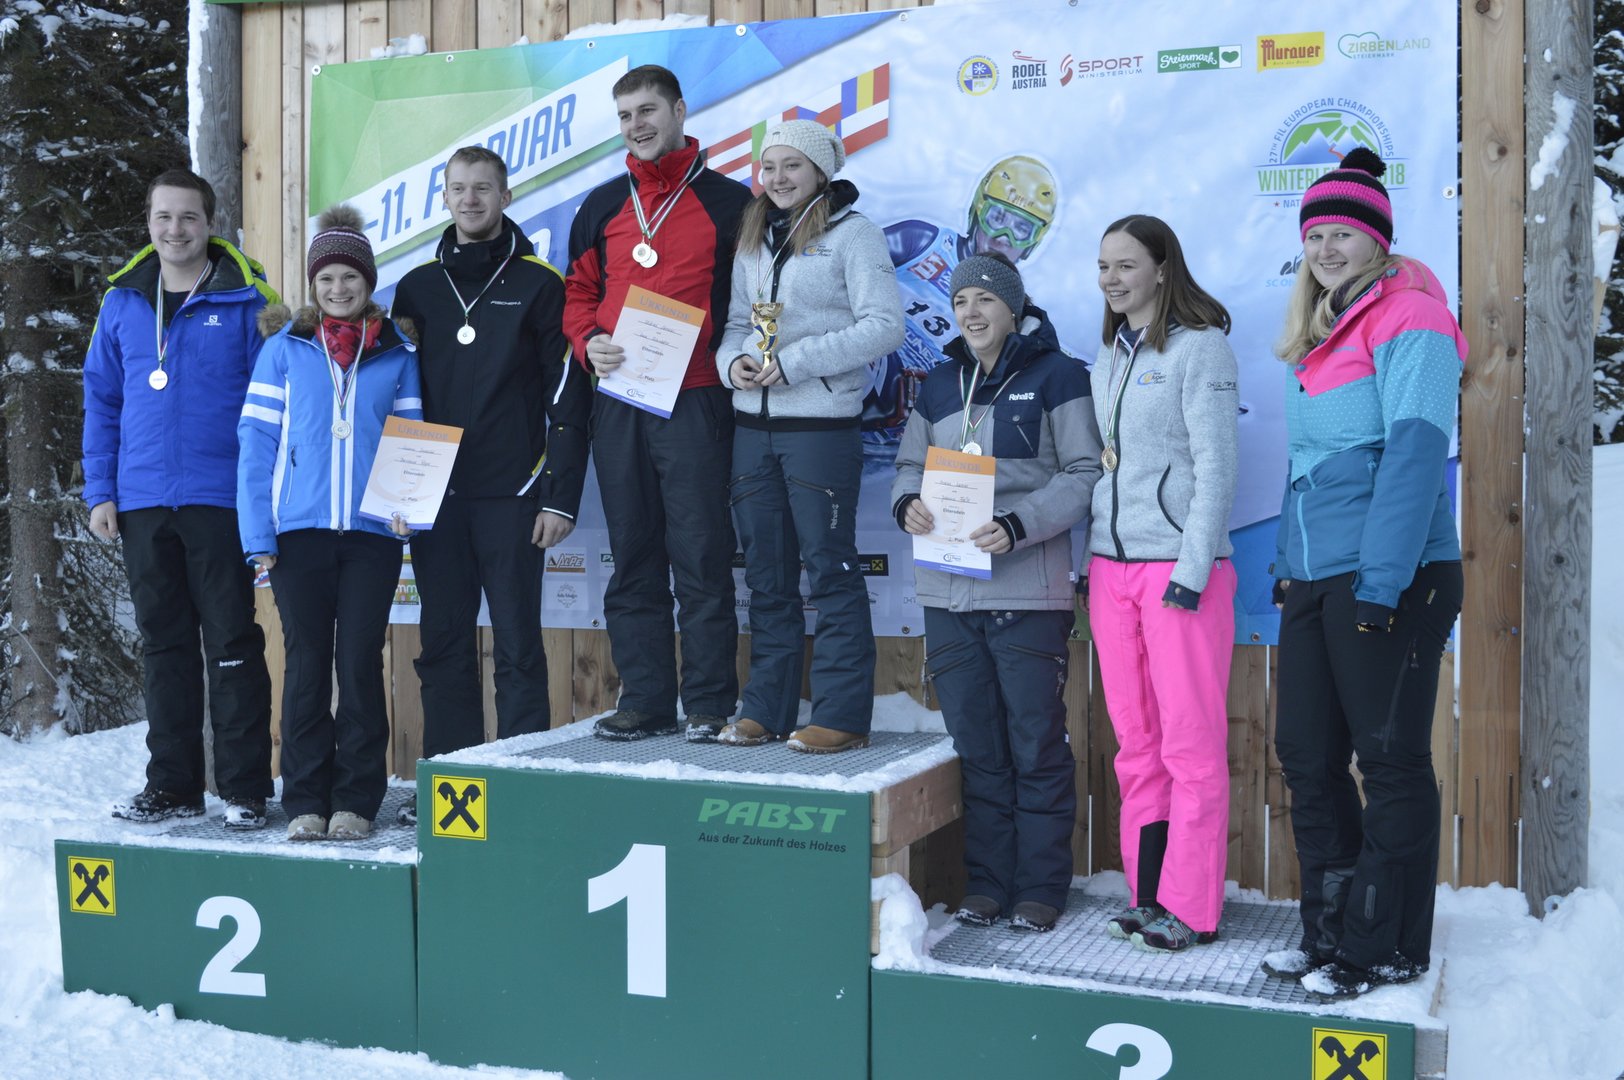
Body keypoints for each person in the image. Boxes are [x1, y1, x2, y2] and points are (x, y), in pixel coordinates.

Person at [1264, 149, 1466, 1000]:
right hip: (1319, 574)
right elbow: (1312, 466)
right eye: (1315, 234)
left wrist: (1382, 583)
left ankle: (1383, 947)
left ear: (1378, 240)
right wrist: (1289, 566)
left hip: (1396, 573)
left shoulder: (1411, 316)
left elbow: (1414, 457)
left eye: (1343, 234)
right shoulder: (1321, 331)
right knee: (1307, 756)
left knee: (1388, 761)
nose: (1326, 248)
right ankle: (1329, 932)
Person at [892, 254, 1102, 932]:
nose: (971, 313)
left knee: (1034, 743)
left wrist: (1019, 524)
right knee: (977, 746)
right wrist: (906, 504)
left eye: (985, 299)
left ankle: (1039, 886)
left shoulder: (1058, 375)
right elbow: (908, 465)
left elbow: (1084, 472)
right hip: (947, 591)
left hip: (1026, 589)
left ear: (1014, 307)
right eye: (961, 302)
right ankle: (987, 883)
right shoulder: (939, 383)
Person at [391, 146, 590, 823]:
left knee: (517, 646)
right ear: (444, 198)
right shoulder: (417, 287)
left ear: (505, 196)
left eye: (483, 188)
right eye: (458, 189)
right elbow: (395, 393)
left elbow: (567, 394)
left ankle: (521, 785)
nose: (470, 199)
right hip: (435, 499)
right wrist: (397, 495)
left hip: (514, 493)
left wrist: (559, 494)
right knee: (443, 646)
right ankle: (452, 786)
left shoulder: (539, 282)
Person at [563, 65, 752, 742]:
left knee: (701, 553)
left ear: (678, 109)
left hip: (696, 398)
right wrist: (588, 342)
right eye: (625, 116)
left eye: (647, 110)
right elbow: (578, 294)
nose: (636, 126)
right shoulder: (601, 205)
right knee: (633, 552)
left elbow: (750, 303)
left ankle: (708, 702)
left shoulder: (731, 203)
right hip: (620, 400)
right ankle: (644, 698)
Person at [84, 168, 276, 830]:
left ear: (209, 223)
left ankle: (245, 789)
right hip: (141, 501)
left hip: (221, 499)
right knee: (163, 646)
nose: (175, 229)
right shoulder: (121, 302)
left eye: (188, 217)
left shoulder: (247, 299)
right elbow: (101, 399)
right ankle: (172, 786)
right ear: (148, 223)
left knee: (231, 642)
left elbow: (272, 407)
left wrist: (264, 502)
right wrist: (100, 491)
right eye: (163, 217)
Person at [713, 120, 904, 753]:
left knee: (829, 569)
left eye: (792, 165)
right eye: (768, 166)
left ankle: (841, 716)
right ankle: (764, 709)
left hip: (820, 428)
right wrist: (733, 365)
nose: (778, 178)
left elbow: (884, 326)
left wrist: (794, 362)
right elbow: (736, 324)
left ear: (821, 171)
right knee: (766, 574)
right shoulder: (752, 234)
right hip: (752, 425)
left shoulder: (855, 234)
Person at [237, 206, 422, 841]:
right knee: (309, 664)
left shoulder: (397, 354)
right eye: (326, 279)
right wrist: (258, 537)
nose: (338, 288)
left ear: (368, 281)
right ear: (313, 285)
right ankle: (305, 801)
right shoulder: (283, 351)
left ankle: (356, 801)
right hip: (298, 537)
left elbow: (411, 440)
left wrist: (409, 511)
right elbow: (255, 447)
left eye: (350, 277)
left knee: (360, 663)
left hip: (372, 537)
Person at [1087, 215, 1239, 952]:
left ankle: (1192, 907)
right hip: (1110, 568)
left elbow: (1216, 463)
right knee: (1137, 744)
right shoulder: (1109, 353)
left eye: (1126, 265)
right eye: (1104, 267)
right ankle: (1147, 895)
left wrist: (1193, 568)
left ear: (1161, 268)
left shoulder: (1199, 348)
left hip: (1178, 572)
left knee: (1190, 746)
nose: (1112, 279)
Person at [866, 155, 1060, 452]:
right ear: (978, 211)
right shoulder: (921, 242)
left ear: (1033, 242)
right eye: (997, 218)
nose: (1003, 237)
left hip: (908, 440)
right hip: (861, 384)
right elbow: (842, 272)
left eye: (1022, 229)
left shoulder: (1022, 321)